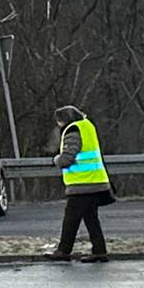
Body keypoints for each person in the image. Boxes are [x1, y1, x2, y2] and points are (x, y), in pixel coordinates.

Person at [48, 104, 112, 262]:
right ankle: (99, 251)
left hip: (83, 184)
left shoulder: (73, 130)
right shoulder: (87, 126)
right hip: (95, 180)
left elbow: (67, 158)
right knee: (90, 218)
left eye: (59, 121)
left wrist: (56, 159)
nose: (58, 125)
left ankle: (63, 251)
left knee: (71, 219)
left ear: (65, 120)